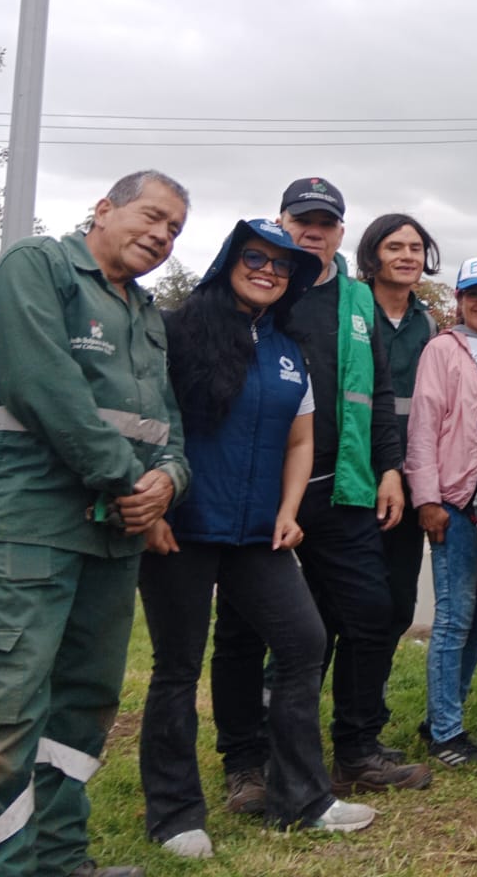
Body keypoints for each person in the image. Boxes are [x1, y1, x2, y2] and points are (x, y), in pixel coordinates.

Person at [0, 171, 190, 877]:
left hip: (112, 534)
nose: (162, 235)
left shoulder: (145, 312)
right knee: (7, 705)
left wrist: (167, 482)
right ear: (104, 207)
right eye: (153, 216)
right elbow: (44, 388)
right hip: (32, 521)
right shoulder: (36, 268)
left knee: (83, 703)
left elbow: (168, 425)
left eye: (175, 229)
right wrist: (128, 480)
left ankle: (58, 859)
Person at [139, 219, 375, 858]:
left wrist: (290, 510)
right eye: (255, 258)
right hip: (182, 526)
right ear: (228, 261)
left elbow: (301, 440)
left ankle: (304, 798)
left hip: (256, 535)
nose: (268, 271)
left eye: (281, 266)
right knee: (177, 668)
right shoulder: (178, 331)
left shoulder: (287, 348)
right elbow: (152, 420)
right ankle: (175, 815)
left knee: (303, 643)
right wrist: (152, 504)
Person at [210, 178, 431, 808]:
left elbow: (379, 393)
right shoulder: (262, 285)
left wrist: (390, 467)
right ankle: (246, 763)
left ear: (340, 231)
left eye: (325, 223)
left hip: (344, 485)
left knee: (374, 614)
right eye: (301, 220)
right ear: (281, 223)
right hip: (255, 486)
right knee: (243, 630)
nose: (313, 231)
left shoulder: (358, 300)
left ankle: (358, 748)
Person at [404, 256, 477, 768]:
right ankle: (446, 732)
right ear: (459, 299)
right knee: (453, 617)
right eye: (473, 293)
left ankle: (441, 717)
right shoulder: (442, 350)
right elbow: (425, 425)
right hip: (455, 500)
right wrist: (426, 497)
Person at [357, 213, 442, 665]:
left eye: (414, 248)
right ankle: (287, 703)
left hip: (407, 483)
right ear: (373, 255)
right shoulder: (349, 310)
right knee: (331, 602)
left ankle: (369, 704)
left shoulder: (426, 326)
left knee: (396, 602)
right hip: (352, 477)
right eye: (395, 247)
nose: (407, 256)